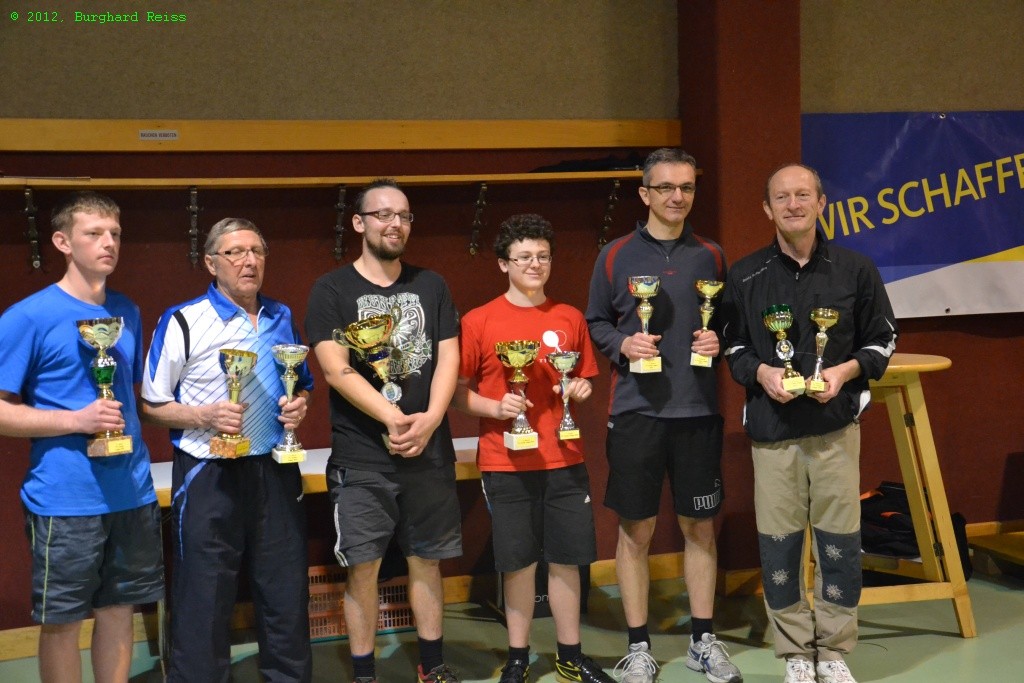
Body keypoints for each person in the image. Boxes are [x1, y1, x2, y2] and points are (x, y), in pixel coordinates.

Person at [720, 164, 897, 683]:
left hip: (835, 430)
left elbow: (883, 340)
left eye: (803, 195)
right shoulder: (745, 275)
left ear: (821, 203)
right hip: (772, 432)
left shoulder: (856, 270)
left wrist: (843, 372)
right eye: (782, 197)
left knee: (839, 541)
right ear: (767, 209)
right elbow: (732, 348)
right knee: (780, 543)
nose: (793, 205)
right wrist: (763, 373)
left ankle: (834, 650)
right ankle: (796, 651)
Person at [585, 148, 741, 683]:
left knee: (700, 527)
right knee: (637, 530)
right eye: (666, 187)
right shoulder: (614, 256)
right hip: (637, 413)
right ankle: (638, 647)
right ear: (644, 193)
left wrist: (719, 341)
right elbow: (595, 322)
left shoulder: (712, 256)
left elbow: (730, 327)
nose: (678, 196)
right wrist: (623, 344)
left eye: (687, 187)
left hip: (698, 411)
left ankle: (703, 641)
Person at [0, 191, 163, 683]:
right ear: (62, 242)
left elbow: (132, 399)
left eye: (115, 233)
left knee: (119, 611)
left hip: (131, 491)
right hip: (65, 498)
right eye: (94, 233)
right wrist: (76, 420)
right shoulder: (27, 316)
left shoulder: (126, 310)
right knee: (63, 623)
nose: (108, 243)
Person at [141, 218, 313, 682]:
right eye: (235, 252)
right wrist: (205, 416)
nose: (248, 261)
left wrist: (299, 406)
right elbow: (151, 406)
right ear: (211, 263)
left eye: (256, 251)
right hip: (208, 474)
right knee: (205, 595)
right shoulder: (183, 320)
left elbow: (303, 386)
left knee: (285, 591)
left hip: (275, 472)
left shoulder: (281, 315)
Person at [305, 178, 462, 683]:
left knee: (427, 562)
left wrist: (430, 420)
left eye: (404, 215)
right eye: (383, 214)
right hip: (362, 457)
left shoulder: (432, 285)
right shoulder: (332, 289)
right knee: (364, 568)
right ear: (359, 223)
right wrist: (393, 418)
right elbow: (335, 369)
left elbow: (448, 359)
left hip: (428, 452)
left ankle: (432, 667)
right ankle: (365, 674)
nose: (395, 224)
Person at [453, 214, 613, 683]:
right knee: (518, 564)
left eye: (543, 256)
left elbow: (582, 380)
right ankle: (518, 657)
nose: (534, 264)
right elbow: (457, 393)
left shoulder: (569, 317)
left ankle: (570, 655)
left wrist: (580, 389)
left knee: (567, 560)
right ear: (504, 263)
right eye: (523, 257)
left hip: (564, 457)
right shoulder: (479, 320)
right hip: (505, 461)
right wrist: (495, 406)